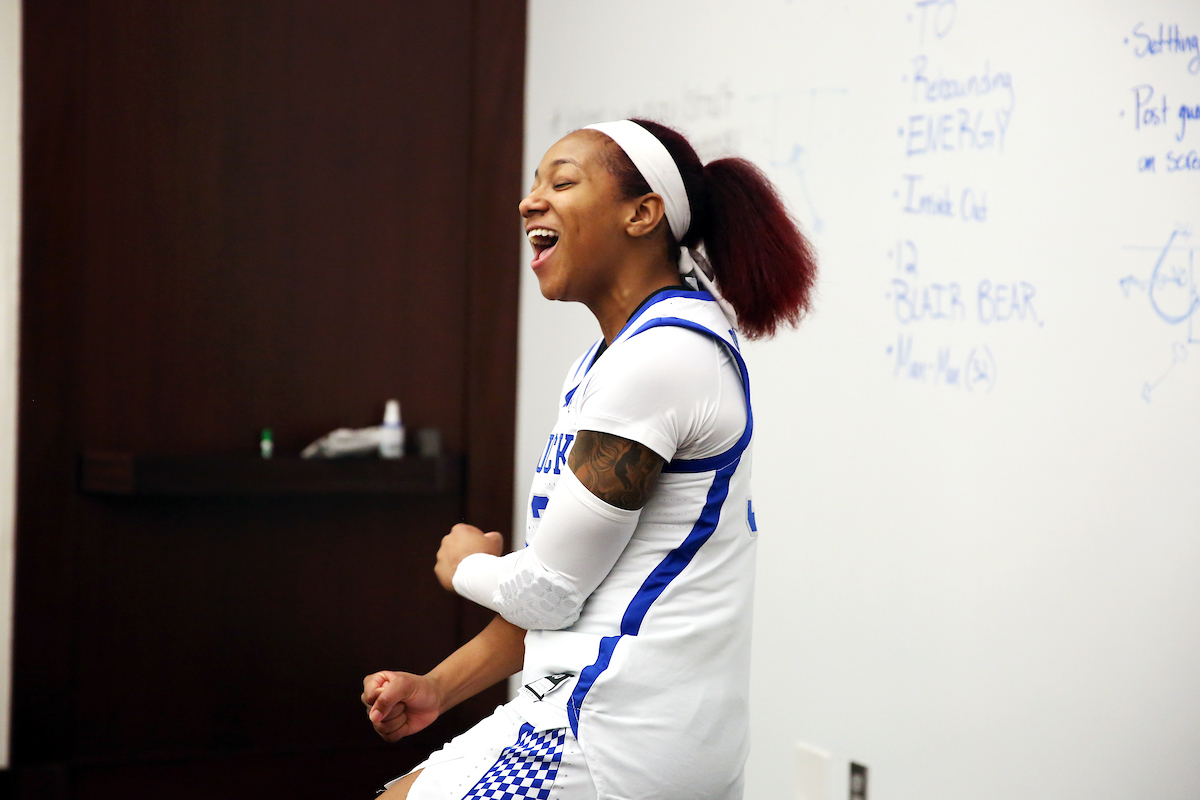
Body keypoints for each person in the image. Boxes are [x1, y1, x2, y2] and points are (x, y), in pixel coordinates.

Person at [361, 118, 816, 800]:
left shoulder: (662, 359)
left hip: (615, 734)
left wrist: (465, 567)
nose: (529, 201)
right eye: (535, 183)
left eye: (562, 181)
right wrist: (437, 687)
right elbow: (575, 600)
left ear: (643, 213)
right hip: (575, 707)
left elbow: (548, 591)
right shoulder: (609, 362)